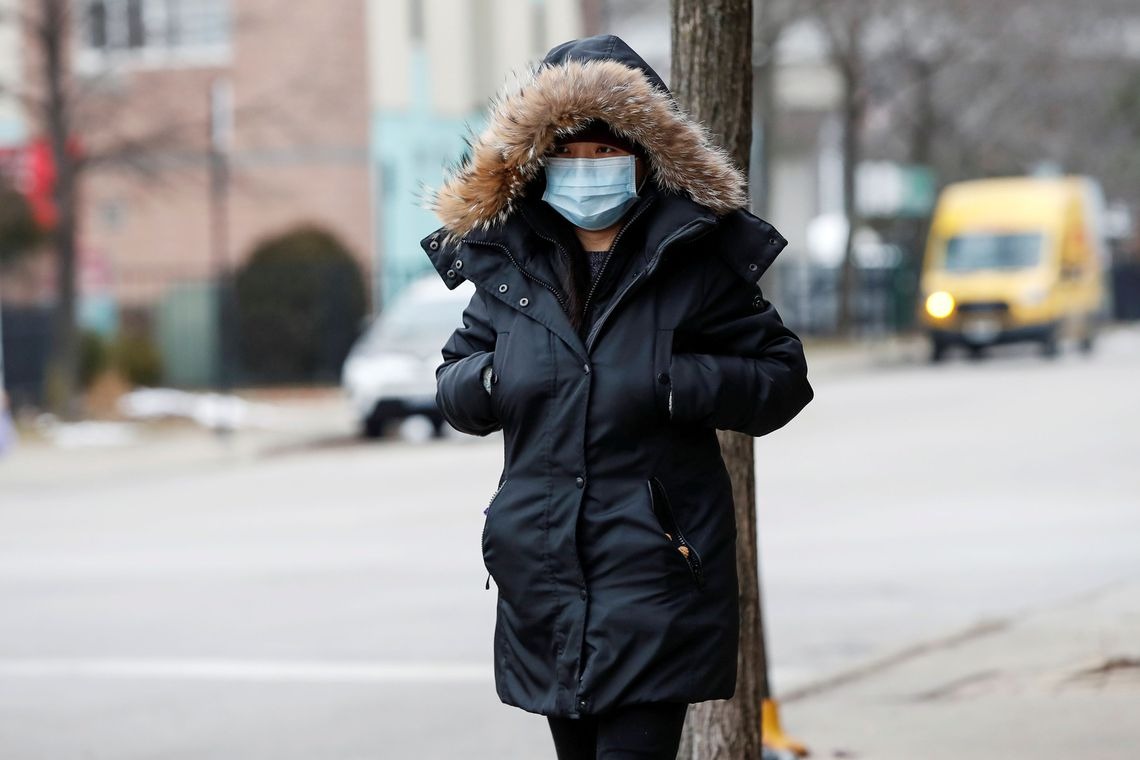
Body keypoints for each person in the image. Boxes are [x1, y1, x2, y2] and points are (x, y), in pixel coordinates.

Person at [420, 34, 814, 760]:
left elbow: (783, 379)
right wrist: (492, 381)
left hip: (655, 575)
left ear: (644, 157)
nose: (588, 170)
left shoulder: (692, 257)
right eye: (570, 154)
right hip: (542, 576)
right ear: (538, 164)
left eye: (607, 153)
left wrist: (674, 383)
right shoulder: (512, 265)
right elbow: (455, 382)